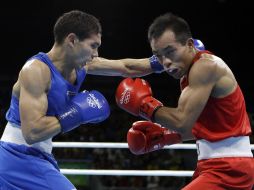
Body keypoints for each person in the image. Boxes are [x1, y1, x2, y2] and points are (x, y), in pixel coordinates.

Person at [115, 13, 254, 190]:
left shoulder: (205, 66)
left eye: (170, 51)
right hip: (214, 165)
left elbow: (182, 121)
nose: (165, 61)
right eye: (158, 56)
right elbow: (197, 127)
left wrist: (145, 105)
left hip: (229, 169)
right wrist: (164, 136)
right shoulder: (188, 77)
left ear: (189, 44)